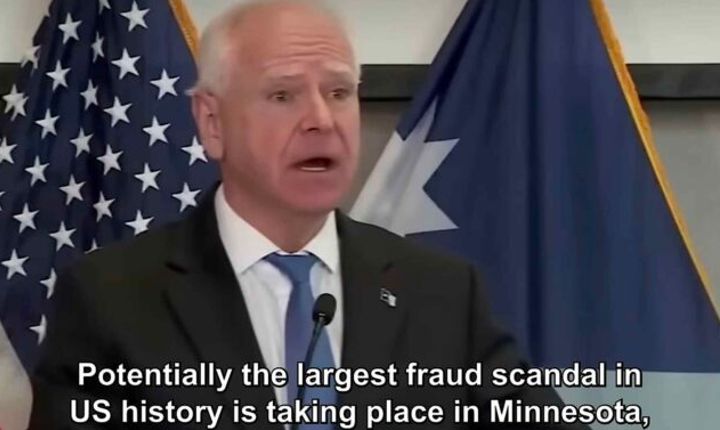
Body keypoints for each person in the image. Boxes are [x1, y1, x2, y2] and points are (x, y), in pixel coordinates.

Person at [30, 1, 586, 428]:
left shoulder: (442, 293)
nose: (322, 119)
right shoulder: (112, 298)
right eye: (283, 96)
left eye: (340, 92)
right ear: (212, 123)